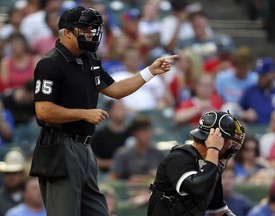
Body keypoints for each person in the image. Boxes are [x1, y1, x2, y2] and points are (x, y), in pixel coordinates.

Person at [29, 5, 177, 216]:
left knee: (99, 212)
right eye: (84, 28)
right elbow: (43, 110)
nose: (90, 33)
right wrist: (83, 113)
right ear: (67, 32)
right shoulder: (50, 64)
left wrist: (149, 72)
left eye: (92, 28)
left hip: (85, 148)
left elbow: (115, 90)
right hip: (60, 146)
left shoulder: (89, 59)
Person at [147, 110, 246, 216]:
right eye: (229, 141)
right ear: (217, 140)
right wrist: (213, 149)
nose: (232, 147)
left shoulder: (211, 166)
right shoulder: (178, 158)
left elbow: (218, 211)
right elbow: (199, 188)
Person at [108, 114, 165, 182]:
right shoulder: (123, 154)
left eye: (149, 130)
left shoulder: (158, 153)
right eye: (143, 131)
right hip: (130, 191)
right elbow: (112, 180)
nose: (147, 134)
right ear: (134, 133)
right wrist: (129, 182)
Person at [238, 57, 275, 124]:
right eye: (259, 75)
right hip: (252, 132)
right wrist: (244, 114)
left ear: (273, 74)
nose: (260, 78)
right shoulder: (251, 90)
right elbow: (236, 109)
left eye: (263, 75)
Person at [90, 99, 131, 173]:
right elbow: (93, 159)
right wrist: (115, 163)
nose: (123, 111)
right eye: (119, 108)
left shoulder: (132, 133)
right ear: (109, 112)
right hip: (106, 175)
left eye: (124, 108)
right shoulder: (100, 136)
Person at [0, 150, 27, 216]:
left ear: (22, 174)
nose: (11, 177)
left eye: (15, 173)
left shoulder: (31, 197)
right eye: (7, 173)